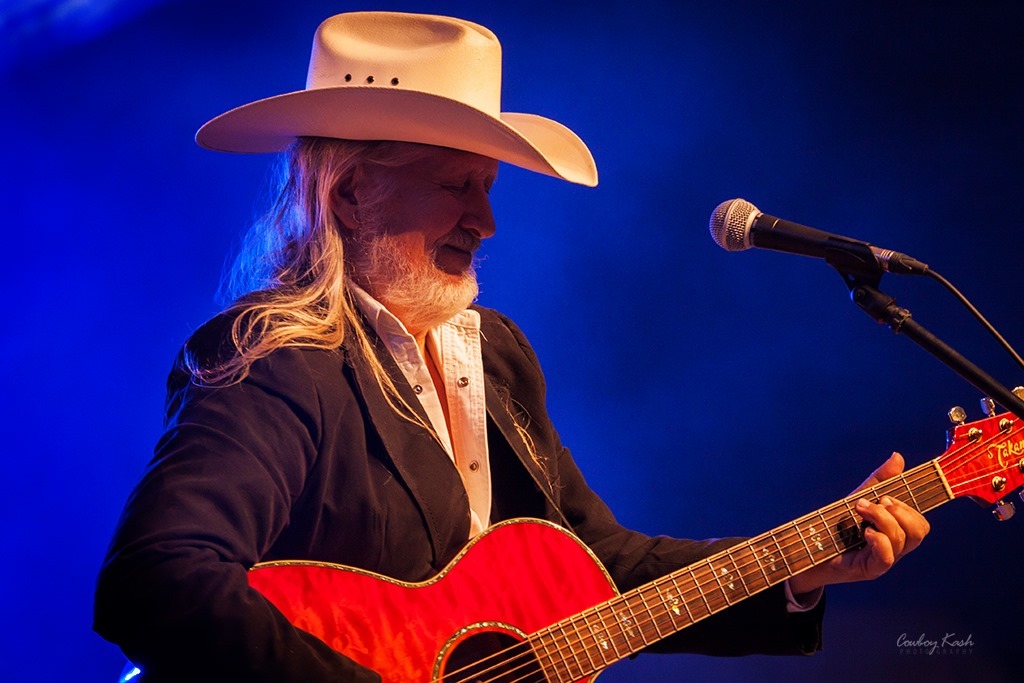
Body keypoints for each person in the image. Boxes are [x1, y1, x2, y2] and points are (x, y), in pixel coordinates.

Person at [94, 11, 929, 682]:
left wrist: (803, 566)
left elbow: (601, 567)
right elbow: (157, 575)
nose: (486, 221)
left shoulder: (493, 354)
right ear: (350, 193)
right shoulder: (275, 356)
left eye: (488, 189)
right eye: (457, 184)